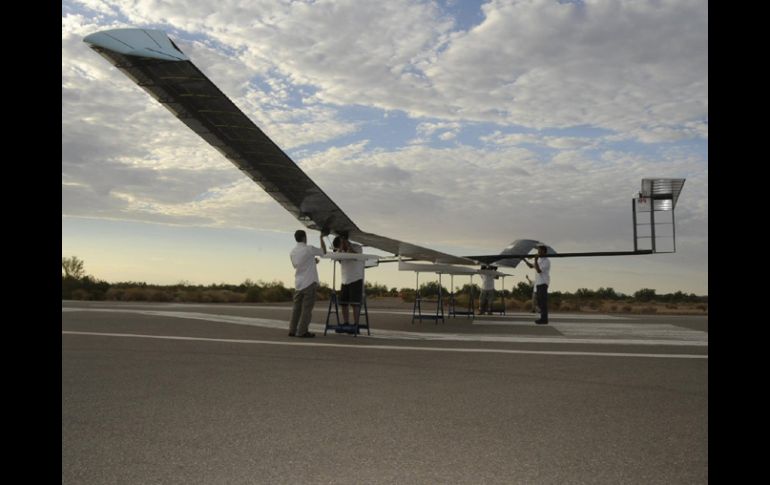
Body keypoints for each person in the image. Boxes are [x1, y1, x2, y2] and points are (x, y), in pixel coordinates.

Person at [288, 229, 327, 338]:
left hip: (298, 283)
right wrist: (321, 238)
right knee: (307, 309)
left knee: (296, 308)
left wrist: (313, 261)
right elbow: (323, 252)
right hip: (309, 282)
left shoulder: (292, 252)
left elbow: (298, 265)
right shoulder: (309, 249)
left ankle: (292, 330)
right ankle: (302, 331)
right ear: (304, 237)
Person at [332, 235, 365, 328]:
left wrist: (348, 246)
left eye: (340, 245)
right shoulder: (340, 250)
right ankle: (346, 322)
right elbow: (336, 259)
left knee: (355, 304)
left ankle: (356, 324)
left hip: (355, 279)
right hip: (345, 280)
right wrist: (341, 249)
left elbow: (355, 256)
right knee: (343, 303)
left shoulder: (357, 247)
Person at [522, 244, 550, 324]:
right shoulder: (539, 260)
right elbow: (531, 266)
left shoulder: (547, 261)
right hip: (538, 284)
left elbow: (538, 270)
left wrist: (535, 260)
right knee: (540, 302)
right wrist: (525, 260)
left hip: (543, 283)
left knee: (543, 302)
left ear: (544, 252)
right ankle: (543, 318)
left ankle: (544, 319)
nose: (538, 252)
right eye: (538, 251)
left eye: (539, 251)